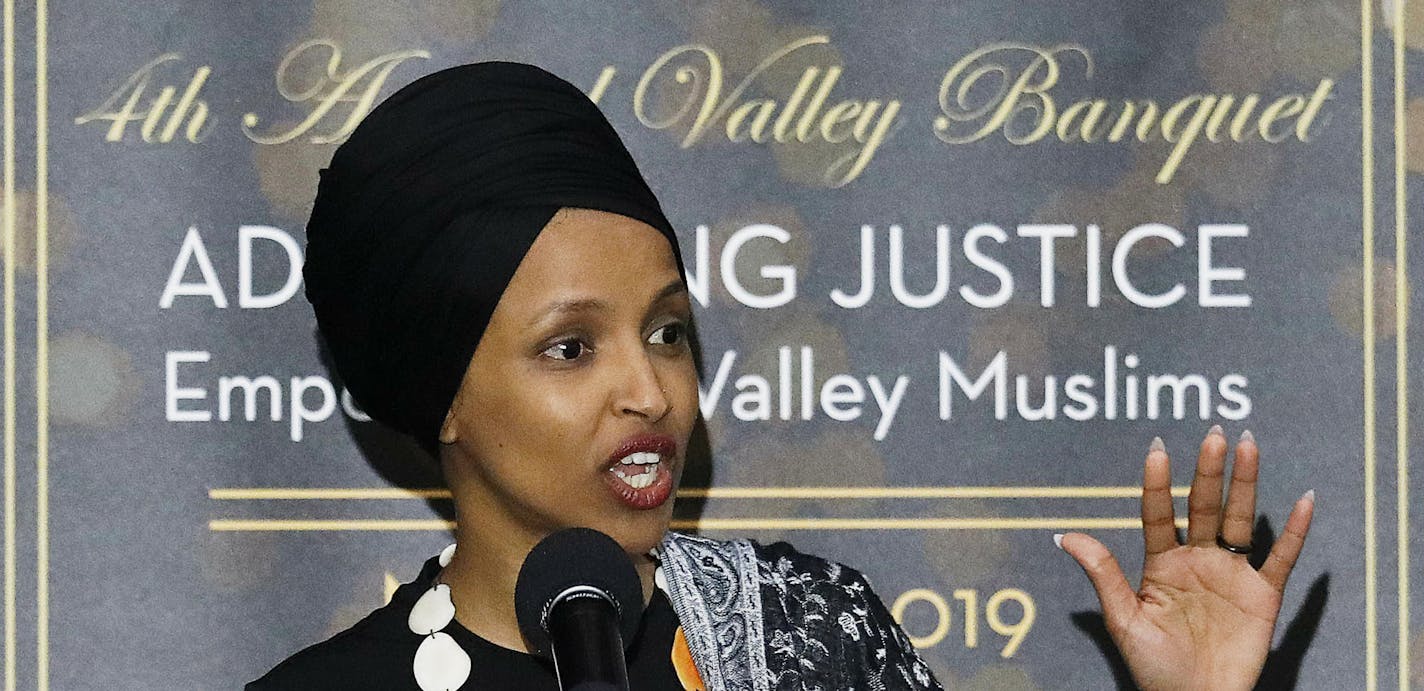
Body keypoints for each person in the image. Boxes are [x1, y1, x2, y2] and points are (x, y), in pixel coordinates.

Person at [246, 61, 1315, 691]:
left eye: (666, 331)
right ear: (439, 395)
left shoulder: (810, 638)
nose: (650, 392)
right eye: (572, 346)